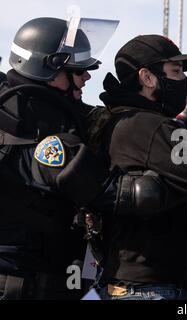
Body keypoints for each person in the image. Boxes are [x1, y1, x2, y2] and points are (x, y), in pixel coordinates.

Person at [91, 34, 187, 300]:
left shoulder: (123, 119)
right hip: (146, 287)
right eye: (176, 70)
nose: (182, 79)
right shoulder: (148, 125)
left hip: (137, 280)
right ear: (147, 78)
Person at [0, 16, 117, 300]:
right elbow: (92, 185)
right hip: (19, 279)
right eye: (78, 71)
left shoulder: (26, 106)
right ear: (49, 71)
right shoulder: (30, 118)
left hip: (43, 272)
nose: (87, 77)